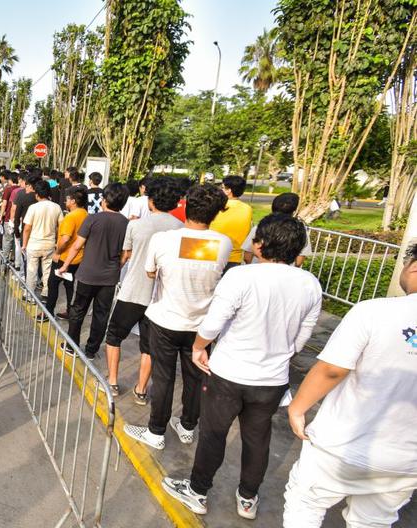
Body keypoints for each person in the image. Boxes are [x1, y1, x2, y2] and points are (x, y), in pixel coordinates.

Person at [162, 214, 322, 519]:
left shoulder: (242, 277)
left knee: (213, 433)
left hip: (229, 373)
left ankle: (198, 491)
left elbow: (213, 324)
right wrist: (278, 355)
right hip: (272, 379)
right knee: (258, 438)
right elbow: (302, 338)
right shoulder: (310, 284)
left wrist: (199, 348)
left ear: (260, 244)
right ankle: (248, 498)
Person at [283, 241, 417, 527]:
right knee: (373, 521)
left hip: (342, 445)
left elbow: (333, 369)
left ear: (413, 266)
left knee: (305, 503)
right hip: (406, 461)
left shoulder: (374, 311)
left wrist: (298, 407)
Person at [123, 184, 231, 451]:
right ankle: (187, 425)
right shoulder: (224, 243)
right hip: (202, 326)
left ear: (186, 206)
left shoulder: (164, 240)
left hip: (165, 320)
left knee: (163, 377)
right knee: (195, 378)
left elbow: (150, 273)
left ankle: (155, 431)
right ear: (216, 213)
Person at [102, 177, 183, 401]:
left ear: (151, 200)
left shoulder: (136, 225)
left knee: (114, 337)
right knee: (148, 346)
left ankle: (113, 382)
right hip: (161, 297)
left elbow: (125, 256)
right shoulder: (181, 229)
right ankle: (141, 389)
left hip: (133, 291)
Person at [58, 183, 130, 358]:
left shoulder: (92, 219)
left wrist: (65, 265)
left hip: (87, 274)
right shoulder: (126, 223)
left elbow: (76, 246)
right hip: (110, 278)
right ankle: (91, 350)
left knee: (78, 310)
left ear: (104, 200)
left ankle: (72, 346)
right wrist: (116, 267)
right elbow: (126, 254)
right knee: (101, 314)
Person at [46, 188, 88, 320]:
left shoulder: (70, 217)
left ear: (73, 201)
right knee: (69, 285)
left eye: (67, 199)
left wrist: (57, 252)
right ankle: (70, 311)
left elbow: (65, 239)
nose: (65, 201)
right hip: (78, 259)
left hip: (64, 258)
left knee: (52, 284)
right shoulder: (85, 214)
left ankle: (48, 312)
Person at [21, 180, 63, 302]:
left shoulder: (33, 208)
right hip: (49, 244)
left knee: (31, 271)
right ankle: (46, 294)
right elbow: (61, 226)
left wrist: (24, 244)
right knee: (47, 271)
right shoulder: (56, 207)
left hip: (34, 244)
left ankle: (30, 295)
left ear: (37, 194)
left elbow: (27, 228)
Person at [242, 192, 311, 267]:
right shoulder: (299, 229)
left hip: (258, 269)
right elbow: (300, 259)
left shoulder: (261, 226)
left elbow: (247, 255)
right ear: (294, 211)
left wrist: (250, 267)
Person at [210, 175, 253, 271]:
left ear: (228, 190)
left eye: (222, 187)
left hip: (213, 254)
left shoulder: (217, 206)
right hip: (235, 258)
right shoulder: (248, 209)